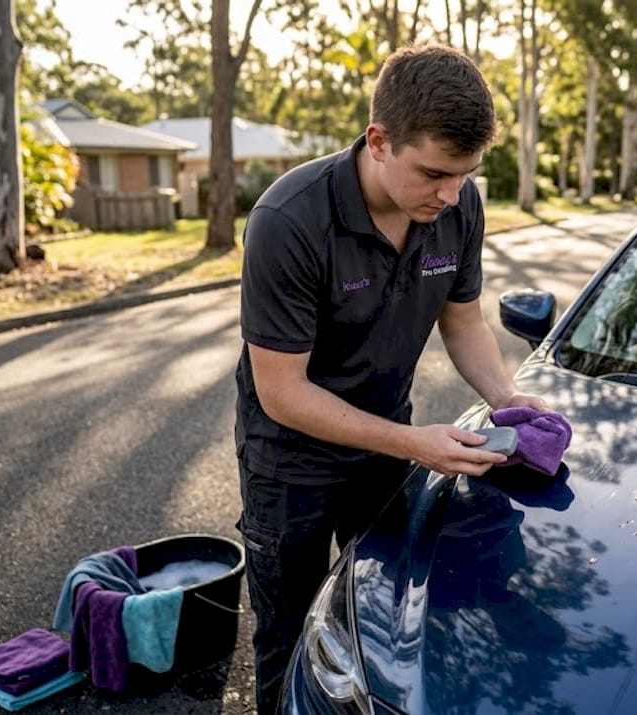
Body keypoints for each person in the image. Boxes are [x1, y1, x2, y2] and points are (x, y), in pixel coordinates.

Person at [233, 44, 548, 714]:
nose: (451, 193)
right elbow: (281, 392)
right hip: (288, 464)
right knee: (290, 636)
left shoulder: (457, 208)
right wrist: (416, 445)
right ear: (378, 140)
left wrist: (506, 396)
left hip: (386, 446)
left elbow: (461, 323)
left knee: (386, 623)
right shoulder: (288, 221)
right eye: (435, 172)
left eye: (465, 175)